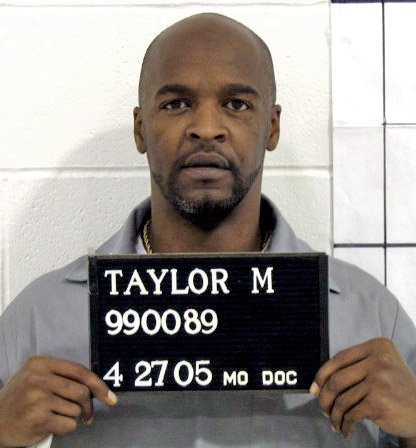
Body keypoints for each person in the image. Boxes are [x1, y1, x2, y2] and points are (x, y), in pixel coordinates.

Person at [0, 12, 415, 448]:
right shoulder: (41, 319)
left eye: (236, 104)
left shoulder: (370, 318)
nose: (206, 128)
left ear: (272, 127)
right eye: (176, 104)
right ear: (141, 129)